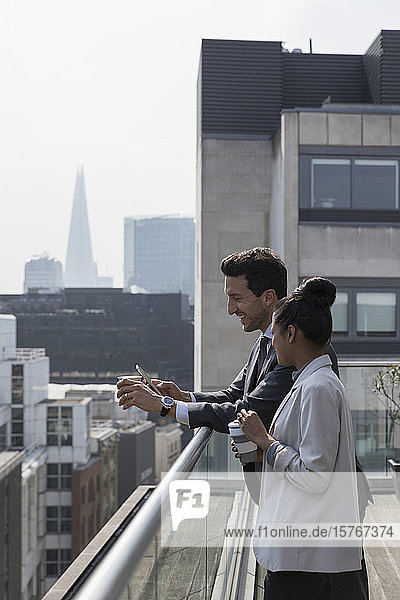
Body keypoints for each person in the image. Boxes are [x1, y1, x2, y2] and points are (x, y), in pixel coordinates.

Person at [236, 277, 368, 599]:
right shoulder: (312, 383)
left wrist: (265, 442)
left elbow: (315, 475)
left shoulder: (317, 388)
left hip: (303, 554)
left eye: (275, 336)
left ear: (291, 333)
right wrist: (261, 450)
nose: (273, 344)